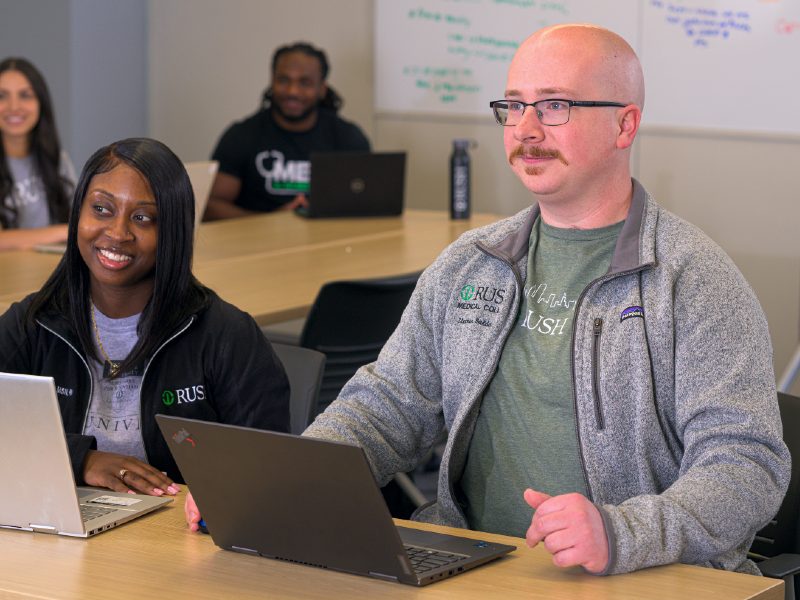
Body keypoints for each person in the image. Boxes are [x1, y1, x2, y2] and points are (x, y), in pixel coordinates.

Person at [186, 24, 790, 576]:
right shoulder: (472, 263)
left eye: (555, 106)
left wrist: (621, 531)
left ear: (624, 125)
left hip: (639, 577)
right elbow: (388, 403)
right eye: (514, 106)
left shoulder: (692, 278)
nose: (526, 130)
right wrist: (282, 483)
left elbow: (746, 465)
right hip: (473, 567)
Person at [0, 137, 290, 497]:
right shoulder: (34, 324)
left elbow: (269, 468)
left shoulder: (227, 336)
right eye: (102, 209)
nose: (118, 233)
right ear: (78, 215)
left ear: (172, 231)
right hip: (58, 538)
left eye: (142, 217)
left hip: (177, 541)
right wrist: (81, 459)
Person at [205, 41, 370, 220]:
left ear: (322, 89)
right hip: (259, 243)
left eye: (305, 83)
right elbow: (212, 205)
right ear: (272, 81)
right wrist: (270, 222)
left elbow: (367, 203)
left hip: (327, 242)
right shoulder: (241, 135)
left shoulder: (348, 137)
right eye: (284, 80)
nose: (292, 91)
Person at [0, 57, 75, 250]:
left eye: (25, 95)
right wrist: (65, 231)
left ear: (41, 102)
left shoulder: (57, 159)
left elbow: (80, 217)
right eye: (2, 96)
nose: (14, 106)